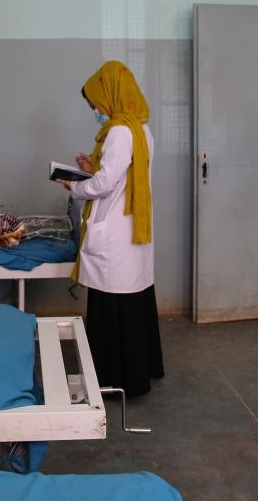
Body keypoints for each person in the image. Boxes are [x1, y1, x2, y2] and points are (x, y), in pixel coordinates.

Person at [54, 60, 164, 397]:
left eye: (96, 105)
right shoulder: (140, 129)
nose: (96, 111)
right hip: (133, 231)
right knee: (134, 304)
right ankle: (139, 371)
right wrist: (93, 165)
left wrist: (75, 186)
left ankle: (114, 378)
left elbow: (104, 183)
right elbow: (121, 175)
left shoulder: (119, 131)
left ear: (110, 95)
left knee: (112, 308)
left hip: (115, 233)